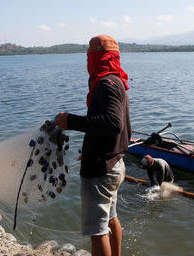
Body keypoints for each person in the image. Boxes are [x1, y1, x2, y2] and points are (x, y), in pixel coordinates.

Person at [54, 34, 130, 256]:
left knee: (98, 231)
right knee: (111, 218)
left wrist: (71, 121)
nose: (88, 60)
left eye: (89, 55)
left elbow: (113, 123)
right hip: (113, 162)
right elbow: (111, 127)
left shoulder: (106, 84)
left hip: (101, 170)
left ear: (97, 57)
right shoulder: (117, 80)